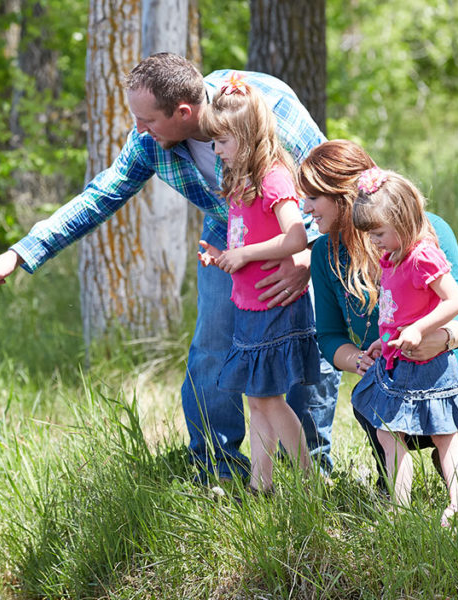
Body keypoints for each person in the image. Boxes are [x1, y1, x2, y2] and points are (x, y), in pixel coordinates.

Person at [0, 52, 341, 482]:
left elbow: (331, 186)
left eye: (147, 120)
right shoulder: (148, 143)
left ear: (183, 112)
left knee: (306, 348)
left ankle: (313, 472)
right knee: (214, 348)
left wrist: (311, 256)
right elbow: (99, 196)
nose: (138, 130)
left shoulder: (267, 104)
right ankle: (219, 471)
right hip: (229, 234)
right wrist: (20, 253)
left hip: (300, 234)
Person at [298, 139, 458, 505]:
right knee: (369, 398)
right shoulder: (326, 253)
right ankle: (395, 485)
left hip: (456, 380)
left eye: (312, 197)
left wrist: (441, 338)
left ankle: (453, 451)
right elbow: (328, 336)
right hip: (393, 382)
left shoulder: (426, 230)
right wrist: (358, 360)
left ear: (343, 195)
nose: (305, 208)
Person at [195, 73, 319, 492]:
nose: (216, 151)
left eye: (223, 142)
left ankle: (307, 484)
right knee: (256, 398)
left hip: (275, 306)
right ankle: (260, 486)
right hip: (250, 305)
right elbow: (247, 237)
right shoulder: (241, 181)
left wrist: (244, 255)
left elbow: (296, 236)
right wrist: (223, 258)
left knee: (269, 399)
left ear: (247, 138)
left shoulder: (274, 177)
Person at [348, 166, 458, 524]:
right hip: (399, 361)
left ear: (403, 220)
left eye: (378, 232)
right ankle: (400, 506)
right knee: (388, 432)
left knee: (444, 436)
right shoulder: (392, 257)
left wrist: (420, 330)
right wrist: (384, 340)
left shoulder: (422, 255)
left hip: (429, 366)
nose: (373, 241)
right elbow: (398, 312)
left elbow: (454, 302)